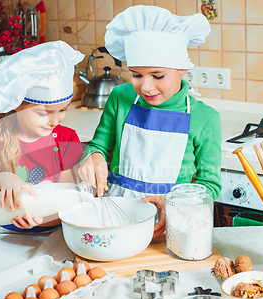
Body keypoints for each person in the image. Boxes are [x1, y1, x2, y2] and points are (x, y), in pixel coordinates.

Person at [78, 6, 222, 239]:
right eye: (136, 74)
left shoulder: (205, 119)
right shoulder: (121, 98)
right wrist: (93, 157)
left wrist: (177, 205)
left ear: (182, 68)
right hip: (115, 220)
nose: (146, 86)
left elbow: (209, 185)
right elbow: (98, 147)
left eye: (157, 76)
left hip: (172, 227)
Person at [0, 41, 85, 234]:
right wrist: (0, 178)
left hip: (51, 235)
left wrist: (40, 220)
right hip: (3, 237)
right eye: (43, 113)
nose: (55, 120)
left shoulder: (66, 139)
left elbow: (66, 199)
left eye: (62, 110)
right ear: (17, 105)